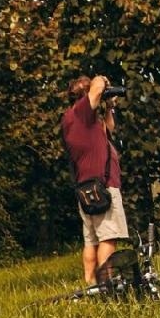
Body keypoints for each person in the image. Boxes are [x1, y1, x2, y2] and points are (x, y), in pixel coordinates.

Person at [61, 74, 129, 286]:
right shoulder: (81, 113)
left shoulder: (76, 120)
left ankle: (90, 283)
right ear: (84, 95)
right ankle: (105, 284)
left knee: (91, 240)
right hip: (103, 187)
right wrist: (102, 80)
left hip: (87, 187)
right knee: (108, 238)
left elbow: (109, 129)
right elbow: (97, 87)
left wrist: (109, 107)